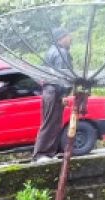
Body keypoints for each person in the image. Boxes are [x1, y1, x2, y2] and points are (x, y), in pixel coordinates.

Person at [32, 27, 74, 163]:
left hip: (48, 91)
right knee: (51, 123)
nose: (70, 39)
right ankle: (40, 154)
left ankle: (50, 153)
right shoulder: (61, 53)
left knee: (53, 122)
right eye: (68, 36)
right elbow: (61, 77)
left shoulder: (51, 51)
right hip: (55, 91)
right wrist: (63, 95)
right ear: (61, 38)